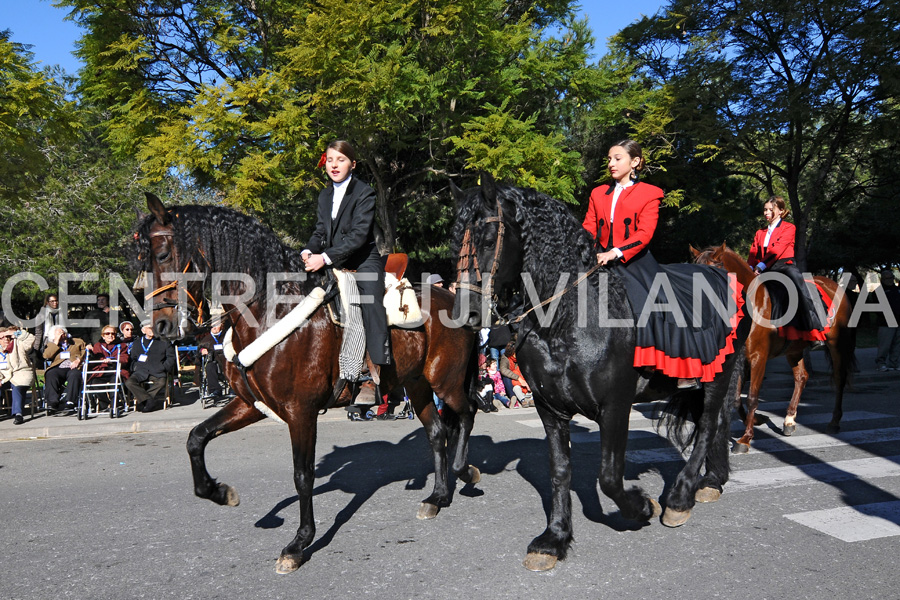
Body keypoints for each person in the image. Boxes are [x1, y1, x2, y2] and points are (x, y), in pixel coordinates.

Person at [582, 139, 743, 389]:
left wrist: (614, 253)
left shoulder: (650, 193)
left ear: (634, 162)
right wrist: (584, 249)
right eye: (609, 159)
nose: (611, 164)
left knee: (657, 303)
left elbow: (644, 234)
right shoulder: (597, 193)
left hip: (634, 262)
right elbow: (589, 228)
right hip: (599, 258)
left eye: (617, 158)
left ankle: (680, 367)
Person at [301, 140, 391, 382]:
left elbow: (359, 236)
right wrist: (308, 250)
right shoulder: (324, 195)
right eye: (330, 160)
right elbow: (320, 231)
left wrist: (325, 257)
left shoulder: (365, 192)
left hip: (363, 260)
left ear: (352, 164)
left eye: (340, 160)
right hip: (331, 259)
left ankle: (374, 372)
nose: (334, 165)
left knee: (371, 302)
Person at [747, 196, 827, 345]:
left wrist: (760, 266)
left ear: (781, 211)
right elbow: (753, 253)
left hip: (784, 266)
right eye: (765, 210)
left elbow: (777, 250)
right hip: (762, 269)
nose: (766, 213)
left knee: (800, 288)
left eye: (771, 210)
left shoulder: (789, 227)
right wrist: (750, 268)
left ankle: (814, 328)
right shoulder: (760, 233)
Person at [123, 320, 175, 413]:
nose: (152, 330)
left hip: (157, 370)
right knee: (129, 382)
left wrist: (163, 367)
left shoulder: (163, 341)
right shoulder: (137, 343)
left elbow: (171, 358)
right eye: (149, 328)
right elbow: (133, 358)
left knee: (161, 383)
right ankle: (149, 401)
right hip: (141, 371)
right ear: (143, 330)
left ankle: (144, 400)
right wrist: (135, 368)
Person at [42, 325, 86, 414]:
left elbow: (85, 352)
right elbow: (46, 356)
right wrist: (56, 342)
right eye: (59, 332)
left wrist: (79, 360)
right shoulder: (51, 345)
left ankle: (71, 401)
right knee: (51, 374)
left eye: (63, 332)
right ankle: (52, 402)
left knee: (75, 374)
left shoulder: (77, 342)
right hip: (58, 367)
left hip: (73, 366)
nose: (62, 334)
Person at [86, 325, 130, 411]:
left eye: (113, 333)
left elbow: (125, 358)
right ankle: (104, 404)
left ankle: (114, 404)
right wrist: (90, 351)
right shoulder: (98, 345)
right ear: (103, 336)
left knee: (115, 381)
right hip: (102, 370)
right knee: (95, 382)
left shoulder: (121, 345)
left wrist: (113, 359)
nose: (110, 335)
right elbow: (95, 357)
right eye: (107, 333)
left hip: (116, 370)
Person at [1, 327, 36, 425]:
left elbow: (31, 339)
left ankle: (18, 414)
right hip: (3, 377)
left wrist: (17, 333)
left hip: (20, 374)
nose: (6, 339)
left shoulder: (19, 344)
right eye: (2, 337)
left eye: (8, 337)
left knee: (17, 387)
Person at [875, 269, 900, 372]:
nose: (890, 280)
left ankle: (894, 363)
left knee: (897, 344)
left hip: (898, 321)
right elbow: (877, 308)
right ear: (882, 279)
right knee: (885, 344)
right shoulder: (879, 291)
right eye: (887, 278)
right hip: (886, 322)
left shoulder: (897, 290)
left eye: (891, 278)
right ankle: (881, 363)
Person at [196, 321, 227, 398]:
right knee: (209, 367)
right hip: (212, 360)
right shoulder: (206, 338)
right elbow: (199, 349)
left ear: (221, 326)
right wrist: (202, 350)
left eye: (217, 325)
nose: (214, 327)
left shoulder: (226, 337)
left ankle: (233, 389)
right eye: (213, 325)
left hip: (225, 360)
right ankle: (215, 390)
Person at [500, 339, 533, 408]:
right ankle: (513, 396)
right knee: (506, 377)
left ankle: (532, 398)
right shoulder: (505, 358)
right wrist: (518, 378)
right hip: (512, 378)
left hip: (520, 376)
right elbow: (503, 370)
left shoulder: (521, 357)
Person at [32, 293, 65, 358]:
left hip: (61, 341)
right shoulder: (41, 315)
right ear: (47, 302)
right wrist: (35, 350)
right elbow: (39, 333)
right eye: (52, 301)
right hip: (48, 342)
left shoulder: (61, 313)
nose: (55, 303)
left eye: (56, 300)